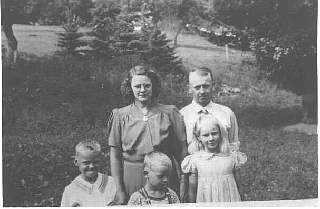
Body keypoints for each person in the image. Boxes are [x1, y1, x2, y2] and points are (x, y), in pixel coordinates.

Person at [107, 65, 188, 204]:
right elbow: (115, 155)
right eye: (137, 86)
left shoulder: (169, 113)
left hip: (165, 178)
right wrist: (119, 189)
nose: (142, 90)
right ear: (129, 87)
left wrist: (184, 184)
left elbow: (182, 152)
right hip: (132, 179)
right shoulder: (120, 116)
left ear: (153, 86)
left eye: (147, 85)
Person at [181, 114, 247, 202]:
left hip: (229, 200)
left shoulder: (231, 156)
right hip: (206, 200)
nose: (211, 138)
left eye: (214, 133)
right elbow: (192, 189)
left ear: (220, 133)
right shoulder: (195, 160)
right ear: (198, 137)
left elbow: (239, 185)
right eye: (206, 135)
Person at [180, 67, 240, 154]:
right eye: (197, 87)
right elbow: (180, 152)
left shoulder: (227, 113)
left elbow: (234, 147)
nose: (202, 91)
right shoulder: (182, 116)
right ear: (189, 88)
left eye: (205, 86)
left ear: (213, 85)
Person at [61, 140, 118, 206]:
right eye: (86, 163)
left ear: (101, 160)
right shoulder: (71, 190)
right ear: (76, 162)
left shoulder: (111, 182)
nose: (91, 166)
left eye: (96, 162)